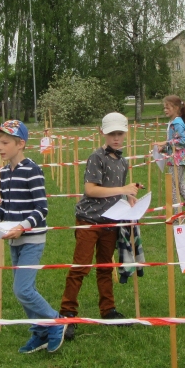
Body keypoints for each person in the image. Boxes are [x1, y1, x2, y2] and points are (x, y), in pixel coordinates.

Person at [0, 120, 64, 354]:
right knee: (22, 289)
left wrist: (23, 227)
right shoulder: (4, 172)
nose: (0, 147)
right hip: (12, 239)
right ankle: (40, 332)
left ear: (21, 144)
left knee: (22, 290)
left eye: (5, 143)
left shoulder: (32, 170)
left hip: (32, 238)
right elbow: (5, 206)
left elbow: (42, 208)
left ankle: (56, 322)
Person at [59, 112, 141, 338]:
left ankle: (108, 311)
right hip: (88, 220)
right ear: (102, 133)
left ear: (125, 133)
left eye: (120, 133)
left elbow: (116, 193)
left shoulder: (122, 161)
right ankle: (67, 314)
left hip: (110, 222)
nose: (116, 138)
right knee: (80, 267)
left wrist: (129, 198)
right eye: (111, 134)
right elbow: (91, 190)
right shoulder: (96, 157)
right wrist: (123, 191)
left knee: (105, 267)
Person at [155, 95, 185, 220]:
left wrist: (166, 143)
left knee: (173, 187)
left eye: (168, 107)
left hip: (178, 159)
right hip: (175, 157)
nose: (165, 110)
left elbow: (183, 140)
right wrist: (165, 148)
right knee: (181, 186)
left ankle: (178, 216)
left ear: (176, 108)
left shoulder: (177, 122)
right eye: (164, 108)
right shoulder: (173, 122)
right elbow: (175, 140)